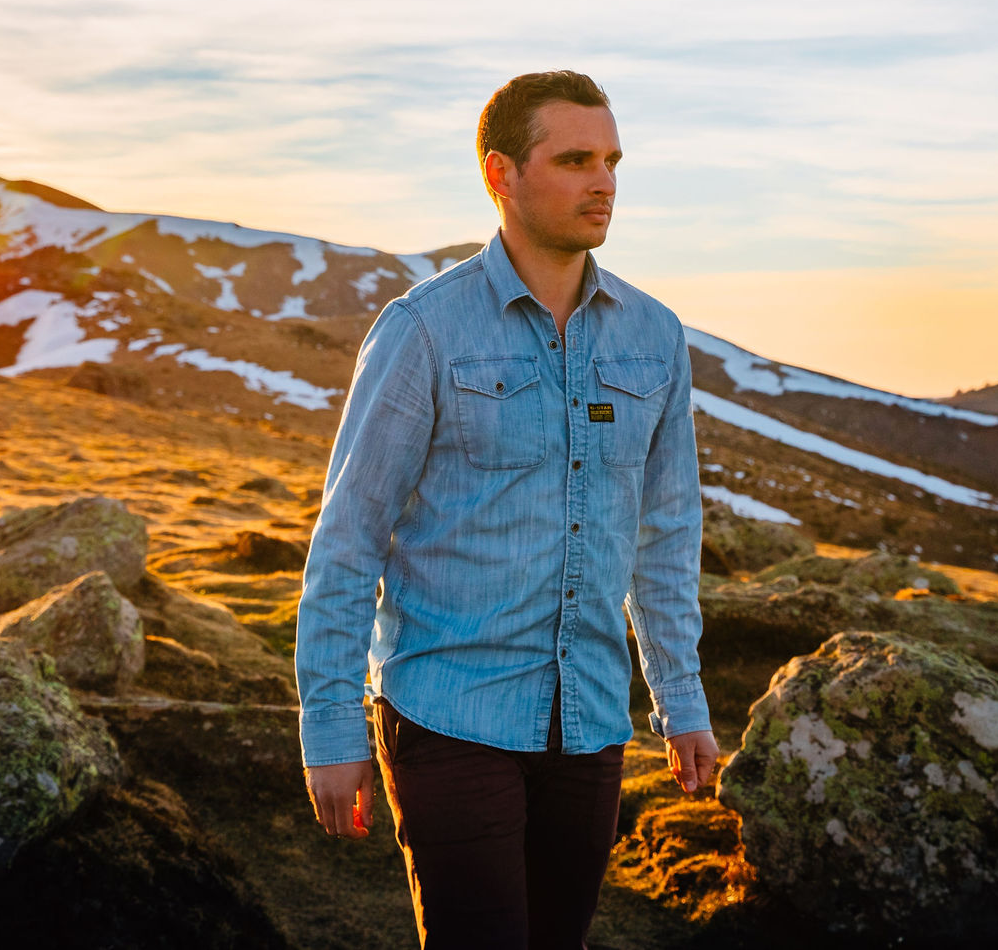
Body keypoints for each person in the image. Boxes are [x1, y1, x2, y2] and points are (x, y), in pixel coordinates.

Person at [295, 69, 717, 949]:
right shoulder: (424, 330)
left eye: (611, 159)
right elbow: (349, 537)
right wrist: (330, 726)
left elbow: (666, 532)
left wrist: (680, 698)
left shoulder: (655, 335)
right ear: (501, 173)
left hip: (592, 719)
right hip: (450, 713)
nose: (602, 181)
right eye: (573, 158)